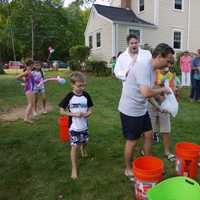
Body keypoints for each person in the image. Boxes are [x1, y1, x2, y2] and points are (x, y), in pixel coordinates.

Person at [118, 43, 174, 181]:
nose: (169, 65)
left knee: (149, 135)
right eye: (168, 61)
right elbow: (146, 92)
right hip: (130, 110)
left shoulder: (152, 70)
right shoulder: (143, 67)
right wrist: (163, 90)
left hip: (141, 109)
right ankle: (128, 169)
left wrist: (159, 105)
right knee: (132, 141)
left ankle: (148, 164)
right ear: (159, 56)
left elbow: (148, 93)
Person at [59, 72, 94, 179]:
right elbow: (61, 111)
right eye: (79, 86)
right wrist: (73, 114)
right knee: (74, 146)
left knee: (84, 141)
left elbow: (90, 110)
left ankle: (83, 150)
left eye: (84, 85)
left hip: (84, 126)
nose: (82, 88)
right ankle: (74, 168)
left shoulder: (86, 95)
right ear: (72, 85)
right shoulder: (69, 96)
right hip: (73, 127)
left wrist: (87, 114)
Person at [148, 62, 176, 162]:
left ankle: (167, 152)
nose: (167, 67)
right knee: (150, 131)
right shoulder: (153, 72)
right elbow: (149, 89)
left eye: (169, 64)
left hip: (165, 105)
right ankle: (147, 152)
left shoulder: (170, 76)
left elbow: (172, 90)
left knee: (166, 129)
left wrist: (173, 93)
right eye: (166, 64)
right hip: (152, 103)